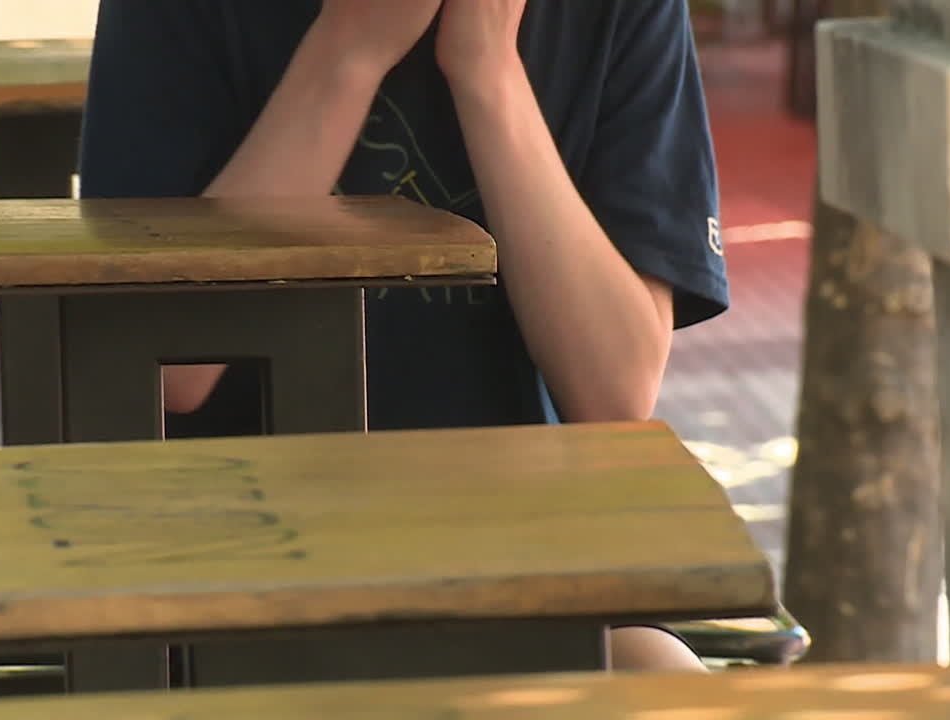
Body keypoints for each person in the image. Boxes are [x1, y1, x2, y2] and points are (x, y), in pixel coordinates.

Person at [79, 0, 728, 672]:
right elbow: (167, 372)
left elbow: (615, 395)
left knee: (660, 677)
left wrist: (487, 68)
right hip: (235, 559)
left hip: (523, 556)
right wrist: (350, 50)